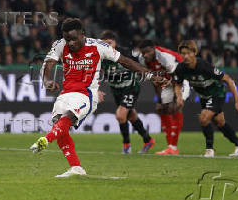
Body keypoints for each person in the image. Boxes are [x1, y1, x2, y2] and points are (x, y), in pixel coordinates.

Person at [30, 18, 167, 177]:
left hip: (87, 94)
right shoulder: (60, 45)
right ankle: (76, 168)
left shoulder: (99, 46)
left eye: (74, 39)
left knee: (67, 117)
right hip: (66, 93)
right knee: (58, 125)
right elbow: (47, 65)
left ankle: (45, 140)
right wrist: (47, 81)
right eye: (68, 39)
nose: (71, 43)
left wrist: (150, 75)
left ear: (83, 34)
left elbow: (126, 61)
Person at [173, 40, 238, 157]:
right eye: (183, 53)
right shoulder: (181, 68)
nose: (186, 56)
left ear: (194, 53)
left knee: (204, 118)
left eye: (188, 53)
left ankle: (209, 150)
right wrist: (179, 97)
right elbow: (177, 84)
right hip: (203, 97)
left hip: (216, 94)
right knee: (220, 122)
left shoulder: (204, 66)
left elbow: (228, 79)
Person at [99, 31, 155, 154]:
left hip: (130, 87)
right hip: (116, 90)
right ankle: (148, 139)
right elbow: (95, 73)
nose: (107, 46)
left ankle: (126, 145)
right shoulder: (100, 56)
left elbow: (139, 63)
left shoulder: (125, 53)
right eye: (104, 43)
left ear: (115, 42)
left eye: (109, 43)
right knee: (131, 116)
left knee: (120, 115)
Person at [138, 40, 190, 155]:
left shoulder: (164, 57)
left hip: (181, 78)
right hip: (167, 82)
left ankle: (173, 147)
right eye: (143, 53)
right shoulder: (143, 60)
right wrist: (160, 99)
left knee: (176, 107)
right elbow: (154, 81)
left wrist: (178, 97)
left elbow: (177, 77)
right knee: (162, 109)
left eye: (147, 52)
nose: (145, 55)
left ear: (153, 50)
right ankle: (169, 147)